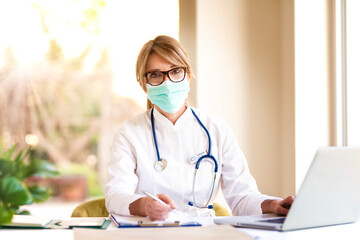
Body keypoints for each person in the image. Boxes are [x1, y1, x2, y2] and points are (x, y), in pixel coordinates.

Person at [105, 35, 294, 221]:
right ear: (143, 84)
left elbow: (242, 196)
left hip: (203, 230)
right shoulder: (129, 134)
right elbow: (115, 195)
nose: (167, 82)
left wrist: (273, 205)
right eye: (155, 74)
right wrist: (144, 205)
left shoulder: (216, 129)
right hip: (151, 230)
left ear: (188, 76)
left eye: (175, 71)